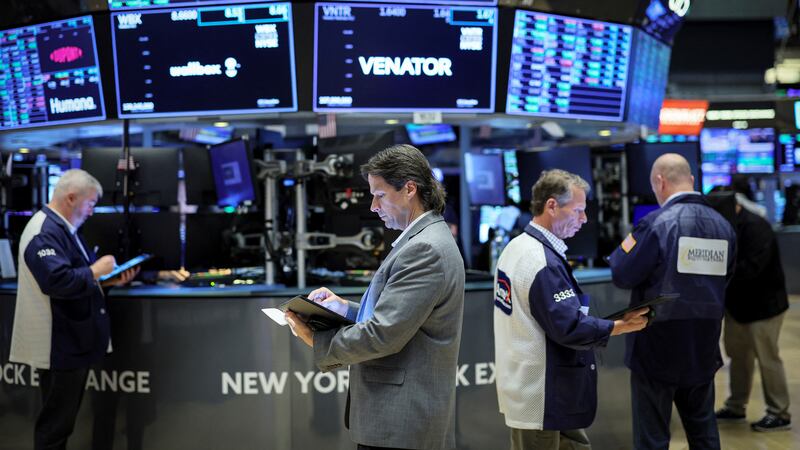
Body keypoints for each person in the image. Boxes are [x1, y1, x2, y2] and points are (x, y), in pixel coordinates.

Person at [285, 144, 465, 450]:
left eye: (379, 195)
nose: (372, 206)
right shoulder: (422, 239)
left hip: (402, 423)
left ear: (410, 189)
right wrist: (344, 308)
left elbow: (384, 334)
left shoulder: (425, 249)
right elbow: (400, 316)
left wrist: (317, 340)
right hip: (398, 421)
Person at [493, 169, 649, 450]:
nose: (584, 219)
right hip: (542, 396)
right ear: (551, 206)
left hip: (544, 390)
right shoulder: (540, 261)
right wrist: (619, 326)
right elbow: (568, 326)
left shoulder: (518, 248)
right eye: (578, 210)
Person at [608, 154, 736, 449]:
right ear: (691, 180)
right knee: (704, 432)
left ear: (659, 182)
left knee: (652, 438)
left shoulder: (654, 224)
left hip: (657, 345)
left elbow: (621, 273)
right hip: (704, 343)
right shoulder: (724, 226)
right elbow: (726, 279)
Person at [9, 169, 138, 450]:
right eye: (90, 204)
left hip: (70, 343)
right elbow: (57, 281)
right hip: (57, 345)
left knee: (61, 425)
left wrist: (107, 281)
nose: (91, 212)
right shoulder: (44, 233)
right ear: (71, 198)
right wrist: (95, 271)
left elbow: (77, 280)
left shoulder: (64, 228)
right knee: (54, 428)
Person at [714, 193, 791, 432]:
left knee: (768, 359)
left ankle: (779, 413)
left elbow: (752, 269)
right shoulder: (725, 225)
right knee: (738, 357)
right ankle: (736, 406)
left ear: (735, 207)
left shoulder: (758, 227)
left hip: (764, 307)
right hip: (738, 306)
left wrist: (717, 272)